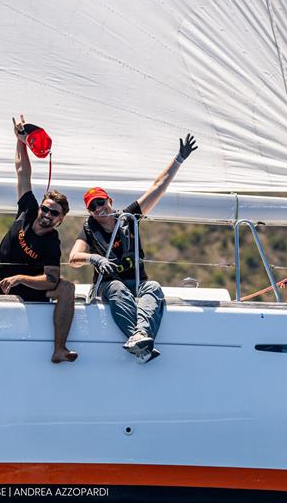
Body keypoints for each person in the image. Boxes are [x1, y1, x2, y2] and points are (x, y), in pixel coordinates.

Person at [0, 116, 77, 366]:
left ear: (60, 220)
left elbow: (51, 279)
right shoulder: (28, 210)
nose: (47, 215)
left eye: (54, 213)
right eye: (46, 209)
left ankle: (60, 349)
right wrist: (20, 141)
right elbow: (22, 171)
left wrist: (21, 278)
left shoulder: (52, 243)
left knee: (67, 288)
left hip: (28, 286)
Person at [68, 134, 198, 363]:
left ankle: (140, 338)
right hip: (108, 286)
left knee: (154, 287)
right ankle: (141, 338)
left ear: (110, 200)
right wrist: (94, 259)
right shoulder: (88, 230)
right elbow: (74, 258)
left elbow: (157, 187)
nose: (99, 209)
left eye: (101, 202)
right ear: (90, 212)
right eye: (93, 207)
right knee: (117, 286)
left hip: (138, 282)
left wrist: (179, 159)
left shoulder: (129, 218)